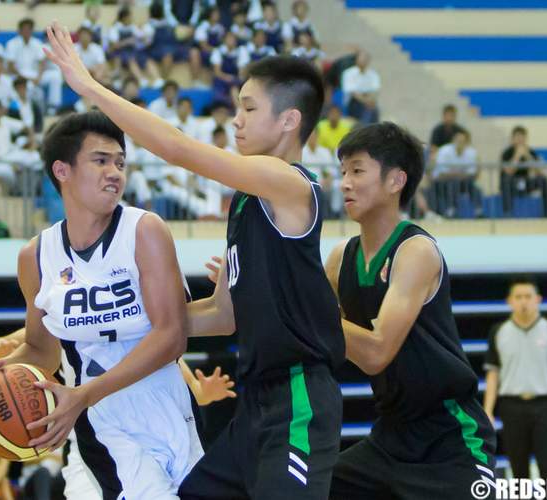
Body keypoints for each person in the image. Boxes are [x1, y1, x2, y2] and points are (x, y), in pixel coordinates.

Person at [44, 24, 345, 498]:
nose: (236, 120)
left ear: (289, 120)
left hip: (298, 396)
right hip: (256, 401)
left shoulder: (288, 182)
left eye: (248, 108)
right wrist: (103, 321)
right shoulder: (246, 203)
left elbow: (178, 149)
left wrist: (88, 86)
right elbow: (223, 317)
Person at [0, 111, 205, 499]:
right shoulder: (36, 257)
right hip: (101, 424)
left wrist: (83, 396)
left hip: (173, 411)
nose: (115, 172)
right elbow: (42, 350)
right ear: (62, 170)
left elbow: (172, 337)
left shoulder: (144, 230)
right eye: (101, 160)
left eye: (120, 162)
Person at [313, 122, 495, 499]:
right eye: (342, 171)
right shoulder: (338, 259)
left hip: (450, 437)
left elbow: (377, 351)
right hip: (390, 436)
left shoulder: (416, 251)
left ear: (396, 181)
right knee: (309, 489)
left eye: (357, 170)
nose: (345, 182)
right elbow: (315, 335)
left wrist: (302, 305)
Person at [0, 326, 236, 500]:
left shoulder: (145, 331)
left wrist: (205, 392)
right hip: (91, 444)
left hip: (155, 436)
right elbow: (36, 335)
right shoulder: (68, 318)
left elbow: (190, 386)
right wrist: (4, 344)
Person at [483, 277, 547, 479]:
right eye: (518, 297)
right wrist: (487, 410)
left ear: (538, 299)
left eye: (528, 296)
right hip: (511, 406)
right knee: (518, 470)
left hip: (545, 406)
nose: (523, 301)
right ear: (509, 301)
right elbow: (493, 373)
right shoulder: (498, 332)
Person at [500, 126, 547, 217]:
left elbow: (539, 172)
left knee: (544, 180)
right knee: (506, 179)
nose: (520, 140)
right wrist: (517, 155)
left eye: (522, 137)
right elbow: (508, 172)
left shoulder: (530, 152)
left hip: (527, 182)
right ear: (512, 139)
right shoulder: (506, 153)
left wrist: (528, 156)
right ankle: (507, 213)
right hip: (512, 183)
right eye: (517, 137)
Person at [432, 130, 481, 218]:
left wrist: (455, 174)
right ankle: (451, 210)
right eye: (458, 140)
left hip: (463, 181)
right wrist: (459, 174)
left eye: (462, 141)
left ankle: (479, 211)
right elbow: (441, 172)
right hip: (443, 181)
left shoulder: (471, 153)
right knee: (452, 184)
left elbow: (472, 173)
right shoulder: (444, 150)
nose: (460, 143)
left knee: (474, 187)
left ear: (467, 142)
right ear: (453, 140)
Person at [341, 50, 380, 125]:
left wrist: (370, 100)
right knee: (364, 111)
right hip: (354, 102)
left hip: (369, 100)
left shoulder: (373, 74)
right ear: (356, 60)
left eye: (365, 59)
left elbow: (375, 90)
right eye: (361, 58)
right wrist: (366, 102)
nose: (363, 61)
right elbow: (352, 92)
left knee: (375, 109)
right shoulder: (348, 73)